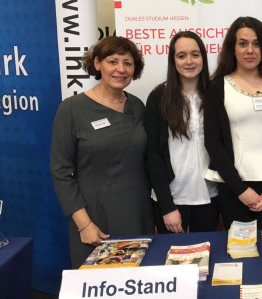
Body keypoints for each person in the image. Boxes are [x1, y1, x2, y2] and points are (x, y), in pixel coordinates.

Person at [50, 36, 154, 268]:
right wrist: (83, 224)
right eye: (113, 61)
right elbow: (61, 172)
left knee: (140, 285)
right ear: (97, 64)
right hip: (95, 220)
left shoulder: (137, 106)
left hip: (138, 214)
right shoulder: (72, 109)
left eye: (128, 63)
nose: (121, 69)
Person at [204, 16, 262, 230]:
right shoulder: (217, 88)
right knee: (240, 252)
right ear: (233, 48)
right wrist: (240, 190)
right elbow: (213, 143)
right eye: (243, 43)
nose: (250, 50)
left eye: (256, 43)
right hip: (234, 189)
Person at [145, 31, 219, 234]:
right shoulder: (159, 96)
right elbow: (153, 154)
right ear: (173, 60)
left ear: (203, 57)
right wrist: (167, 206)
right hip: (172, 197)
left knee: (206, 257)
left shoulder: (215, 94)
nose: (189, 61)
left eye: (195, 54)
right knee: (173, 263)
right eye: (181, 55)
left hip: (209, 196)